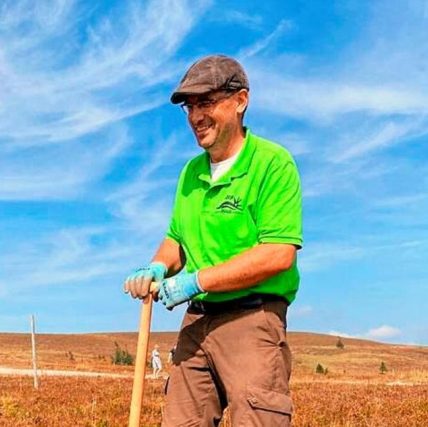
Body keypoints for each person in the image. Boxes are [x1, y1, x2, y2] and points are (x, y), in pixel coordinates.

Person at [123, 54, 302, 426]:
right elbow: (177, 238)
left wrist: (196, 281)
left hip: (252, 316)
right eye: (190, 107)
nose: (195, 116)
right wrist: (158, 266)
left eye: (206, 102)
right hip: (196, 321)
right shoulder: (190, 173)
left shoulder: (272, 163)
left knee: (257, 419)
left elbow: (278, 253)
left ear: (241, 101)